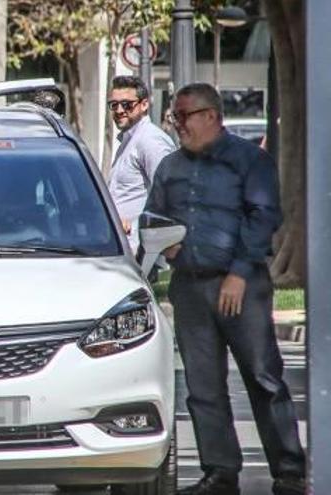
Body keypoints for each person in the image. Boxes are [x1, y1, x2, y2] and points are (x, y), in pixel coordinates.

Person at [146, 83, 305, 495]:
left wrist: (238, 272)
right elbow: (153, 215)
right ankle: (220, 472)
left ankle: (289, 471)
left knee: (263, 378)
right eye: (174, 116)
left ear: (211, 116)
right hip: (190, 286)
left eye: (184, 116)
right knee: (202, 387)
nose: (177, 124)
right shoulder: (170, 167)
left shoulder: (249, 161)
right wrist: (165, 243)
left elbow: (263, 215)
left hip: (242, 284)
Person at [106, 75, 175, 247]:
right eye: (114, 105)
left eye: (127, 104)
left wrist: (135, 226)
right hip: (122, 247)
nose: (120, 110)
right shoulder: (129, 140)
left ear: (144, 105)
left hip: (142, 251)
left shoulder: (150, 141)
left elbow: (171, 197)